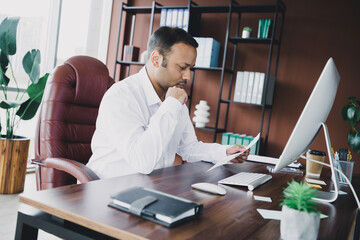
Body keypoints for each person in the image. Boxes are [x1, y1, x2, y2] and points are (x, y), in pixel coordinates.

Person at [87, 26, 249, 178]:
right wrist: (171, 104)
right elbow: (142, 161)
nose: (188, 77)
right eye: (182, 67)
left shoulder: (174, 97)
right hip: (105, 189)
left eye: (191, 68)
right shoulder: (122, 96)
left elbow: (188, 147)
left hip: (149, 188)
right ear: (156, 59)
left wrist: (225, 152)